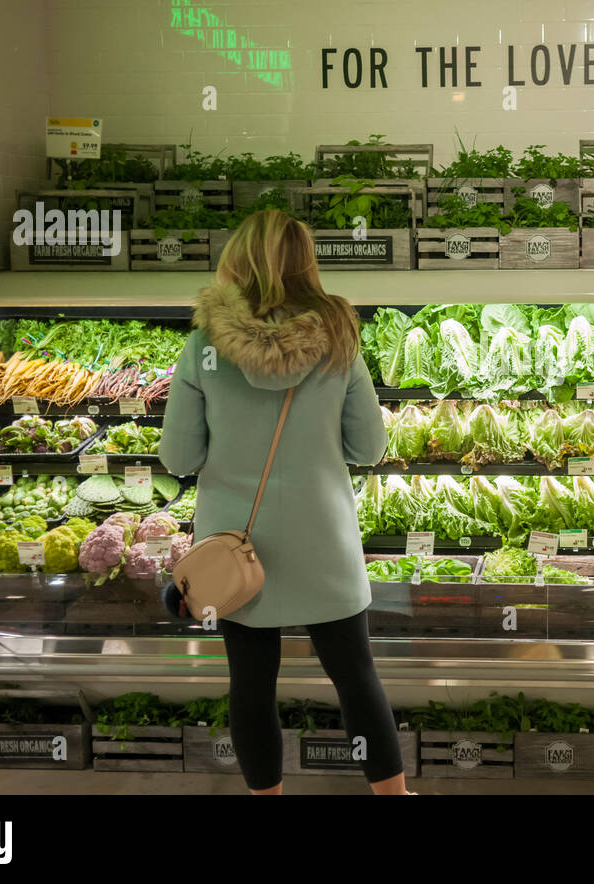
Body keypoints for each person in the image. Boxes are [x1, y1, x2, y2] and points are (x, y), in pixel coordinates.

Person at [160, 209, 408, 795]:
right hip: (324, 540)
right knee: (355, 679)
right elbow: (370, 447)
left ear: (237, 262)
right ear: (306, 265)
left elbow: (178, 458)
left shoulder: (203, 349)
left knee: (251, 685)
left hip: (234, 550)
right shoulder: (339, 339)